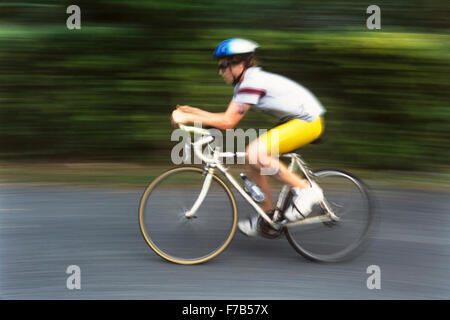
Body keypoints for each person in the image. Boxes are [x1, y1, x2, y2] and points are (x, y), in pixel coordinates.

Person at [171, 38, 325, 237]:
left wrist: (189, 117)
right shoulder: (244, 85)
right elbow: (225, 117)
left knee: (255, 153)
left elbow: (228, 122)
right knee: (250, 160)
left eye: (223, 66)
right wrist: (193, 113)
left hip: (308, 121)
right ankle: (269, 218)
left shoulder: (252, 82)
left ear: (239, 64)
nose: (220, 72)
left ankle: (306, 190)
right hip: (293, 121)